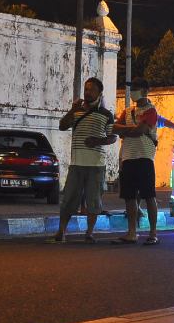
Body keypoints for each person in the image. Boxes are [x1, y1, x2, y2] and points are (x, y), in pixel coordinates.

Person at [50, 77, 115, 243]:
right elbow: (62, 126)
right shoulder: (77, 111)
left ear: (100, 93)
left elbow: (112, 137)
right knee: (69, 199)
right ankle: (61, 231)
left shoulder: (106, 115)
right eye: (86, 89)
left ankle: (89, 232)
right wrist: (72, 110)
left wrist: (97, 141)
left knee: (94, 200)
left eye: (92, 90)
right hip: (76, 164)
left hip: (96, 165)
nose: (88, 92)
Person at [112, 77, 160, 245]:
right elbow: (114, 128)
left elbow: (140, 131)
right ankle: (132, 232)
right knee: (129, 197)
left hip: (144, 157)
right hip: (128, 157)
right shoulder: (127, 111)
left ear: (146, 91)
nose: (132, 92)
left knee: (149, 196)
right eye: (132, 88)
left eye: (136, 88)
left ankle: (153, 233)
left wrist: (125, 130)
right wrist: (129, 130)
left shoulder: (151, 111)